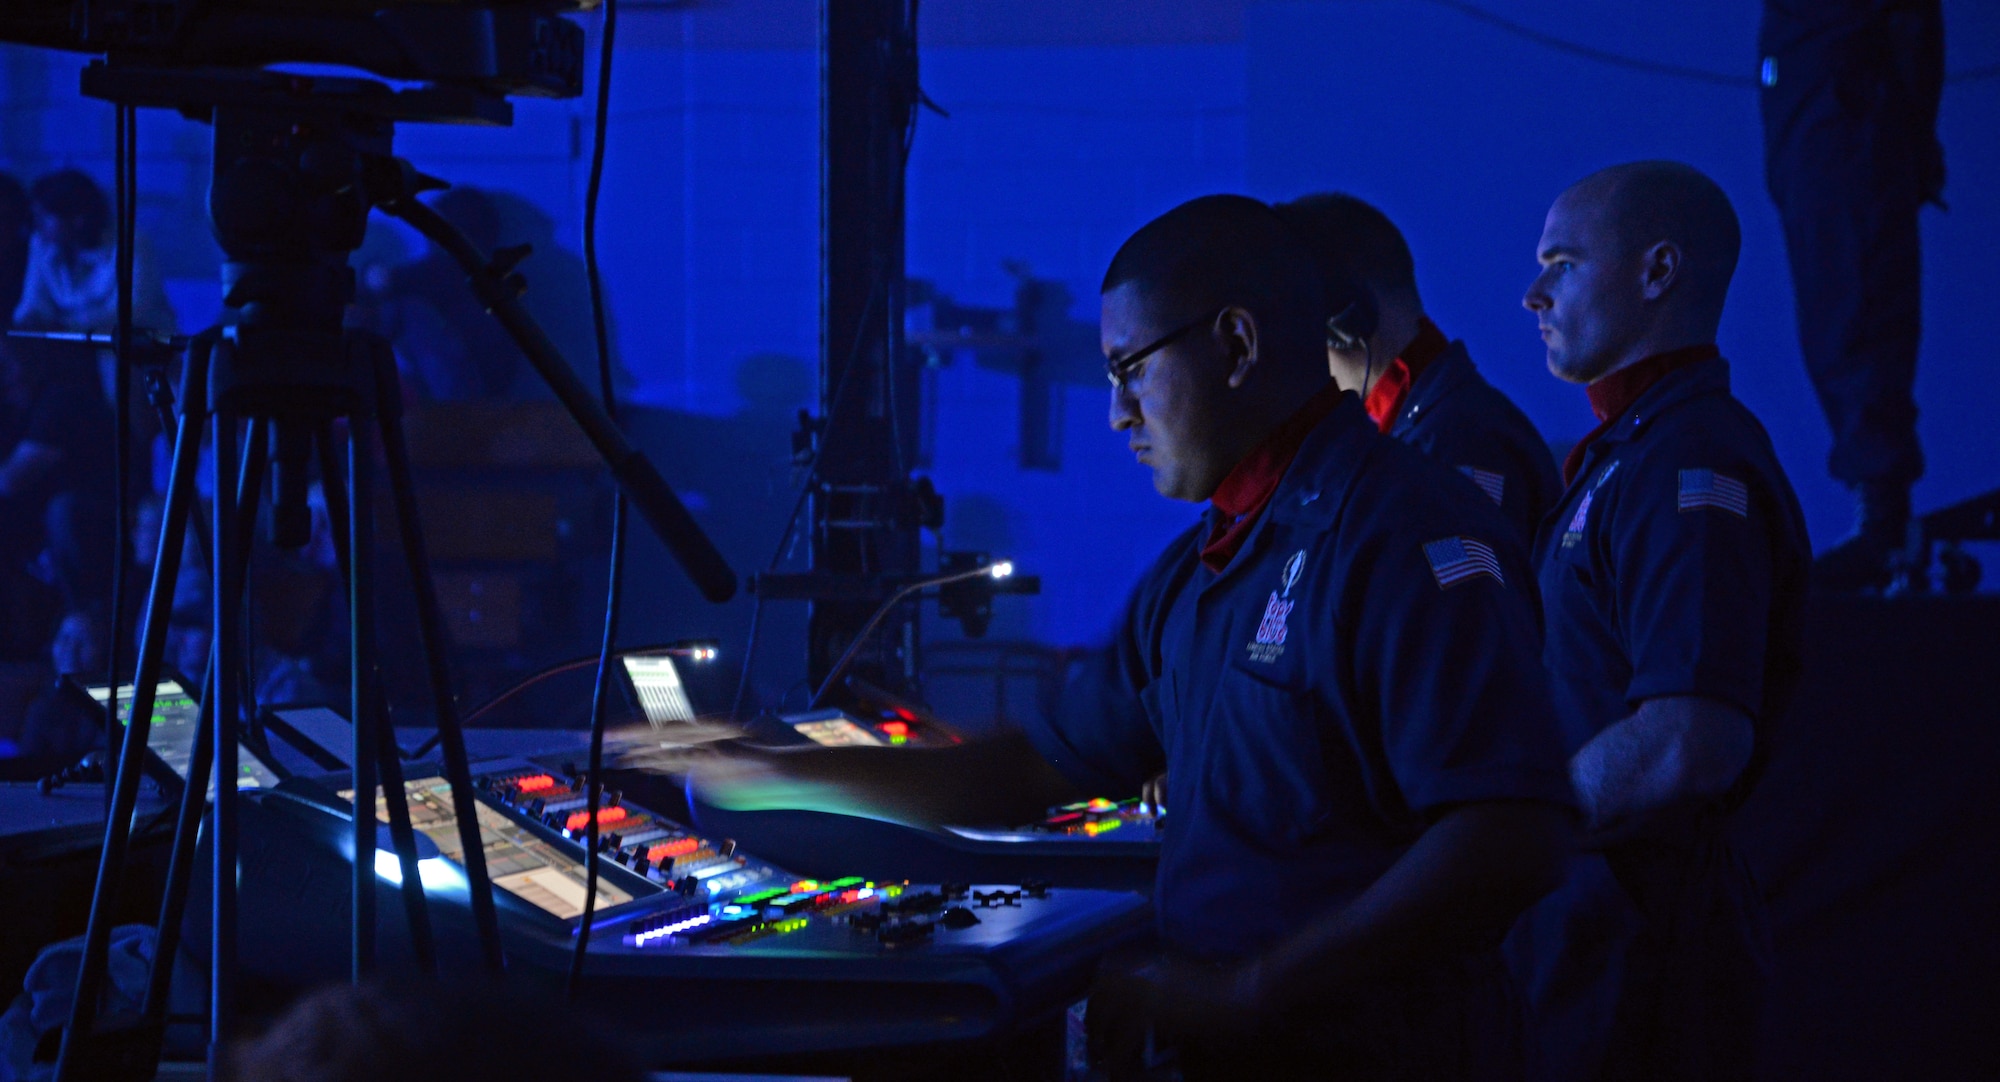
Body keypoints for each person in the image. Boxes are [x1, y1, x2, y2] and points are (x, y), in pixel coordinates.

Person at [691, 195, 1577, 1080]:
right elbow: (1030, 769)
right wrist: (776, 772)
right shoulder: (1197, 574)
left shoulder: (1407, 538)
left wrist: (1252, 991)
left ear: (1236, 345)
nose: (1119, 415)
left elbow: (1508, 839)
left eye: (1131, 371)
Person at [1515, 161, 1811, 1081]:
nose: (1533, 294)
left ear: (1657, 272)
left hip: (1639, 949)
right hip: (1588, 931)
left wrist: (1512, 833)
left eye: (1562, 263)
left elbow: (1691, 736)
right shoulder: (1628, 453)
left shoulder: (1689, 464)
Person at [1760, 0, 1944, 591]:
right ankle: (1879, 502)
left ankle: (1883, 508)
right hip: (1815, 138)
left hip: (1844, 131)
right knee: (1835, 319)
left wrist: (1909, 133)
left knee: (1855, 312)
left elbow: (1913, 29)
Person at [1274, 193, 1559, 549]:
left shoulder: (1462, 445)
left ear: (1343, 316)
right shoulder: (1415, 433)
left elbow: (1468, 601)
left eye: (1290, 312)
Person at [11, 168, 174, 335]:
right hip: (69, 343)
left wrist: (66, 326)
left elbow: (134, 308)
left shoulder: (131, 244)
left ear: (78, 217)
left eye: (43, 216)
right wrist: (28, 320)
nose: (37, 224)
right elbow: (34, 302)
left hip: (133, 346)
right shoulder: (42, 244)